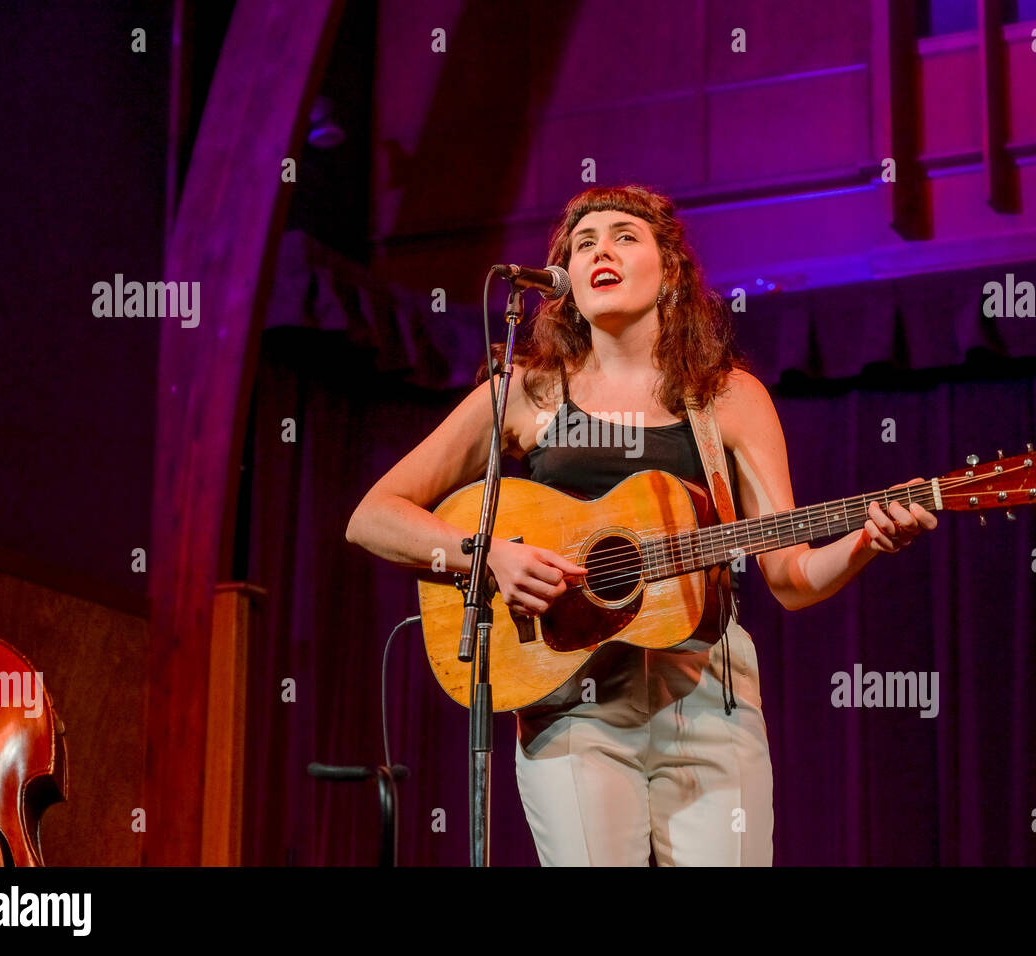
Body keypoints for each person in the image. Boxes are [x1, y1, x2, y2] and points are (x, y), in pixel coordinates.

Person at [345, 184, 937, 866]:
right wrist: (488, 556)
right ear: (565, 282)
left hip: (707, 696)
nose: (602, 250)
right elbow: (374, 517)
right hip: (572, 705)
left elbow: (792, 577)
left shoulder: (728, 398)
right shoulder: (525, 394)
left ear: (670, 271)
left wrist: (864, 538)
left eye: (625, 236)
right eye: (584, 243)